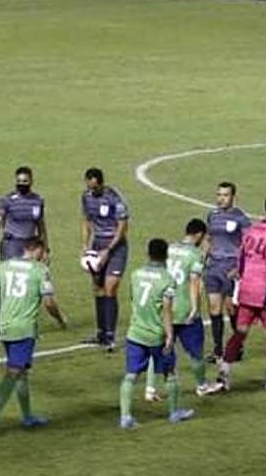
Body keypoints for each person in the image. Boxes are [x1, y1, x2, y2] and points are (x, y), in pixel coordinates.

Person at [0, 238, 65, 432]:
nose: (44, 255)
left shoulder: (4, 266)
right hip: (23, 329)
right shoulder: (40, 270)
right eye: (43, 251)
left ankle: (27, 416)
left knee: (21, 373)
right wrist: (60, 319)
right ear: (37, 249)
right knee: (14, 371)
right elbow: (49, 303)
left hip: (4, 326)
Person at [214, 195, 266, 393]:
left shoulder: (252, 231)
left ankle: (224, 372)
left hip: (247, 289)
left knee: (240, 332)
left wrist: (239, 286)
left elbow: (240, 258)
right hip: (264, 291)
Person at [118, 238, 190, 429]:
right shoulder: (168, 280)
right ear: (166, 255)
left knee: (131, 375)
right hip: (156, 334)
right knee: (169, 373)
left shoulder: (135, 274)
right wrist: (169, 334)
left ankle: (125, 417)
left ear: (148, 253)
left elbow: (133, 298)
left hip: (135, 332)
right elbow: (166, 310)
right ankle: (174, 413)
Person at [0, 166, 49, 333]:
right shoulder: (7, 200)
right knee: (5, 284)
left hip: (30, 246)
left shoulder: (37, 200)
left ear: (31, 181)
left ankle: (24, 320)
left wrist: (45, 248)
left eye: (25, 182)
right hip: (11, 245)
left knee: (29, 284)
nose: (22, 184)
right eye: (19, 182)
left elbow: (41, 224)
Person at [80, 167, 129, 350]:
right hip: (97, 244)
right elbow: (86, 221)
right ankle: (100, 333)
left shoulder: (115, 198)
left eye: (95, 187)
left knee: (110, 288)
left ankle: (111, 335)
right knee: (98, 289)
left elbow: (122, 227)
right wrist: (85, 246)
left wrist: (108, 250)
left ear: (101, 182)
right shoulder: (86, 197)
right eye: (89, 186)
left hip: (116, 247)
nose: (92, 190)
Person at [204, 182, 252, 362]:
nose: (221, 198)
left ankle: (237, 344)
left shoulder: (241, 218)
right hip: (214, 266)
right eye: (219, 195)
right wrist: (204, 258)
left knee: (231, 308)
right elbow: (209, 238)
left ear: (233, 197)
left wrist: (240, 267)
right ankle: (217, 350)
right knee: (214, 308)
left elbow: (249, 244)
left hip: (231, 267)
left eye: (225, 195)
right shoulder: (212, 215)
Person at [164, 219, 209, 398]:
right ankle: (201, 386)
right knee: (196, 352)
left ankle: (151, 389)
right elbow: (194, 282)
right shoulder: (195, 254)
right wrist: (195, 308)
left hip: (165, 309)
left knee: (163, 348)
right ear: (199, 235)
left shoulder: (169, 249)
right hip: (184, 309)